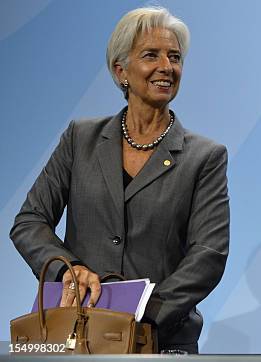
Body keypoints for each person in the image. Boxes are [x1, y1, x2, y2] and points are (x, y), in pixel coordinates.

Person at [10, 7, 229, 354]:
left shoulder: (205, 157)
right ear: (121, 70)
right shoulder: (80, 139)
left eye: (174, 57)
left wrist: (145, 314)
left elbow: (209, 254)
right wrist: (71, 270)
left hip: (158, 339)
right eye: (150, 55)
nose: (166, 67)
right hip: (78, 335)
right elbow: (29, 222)